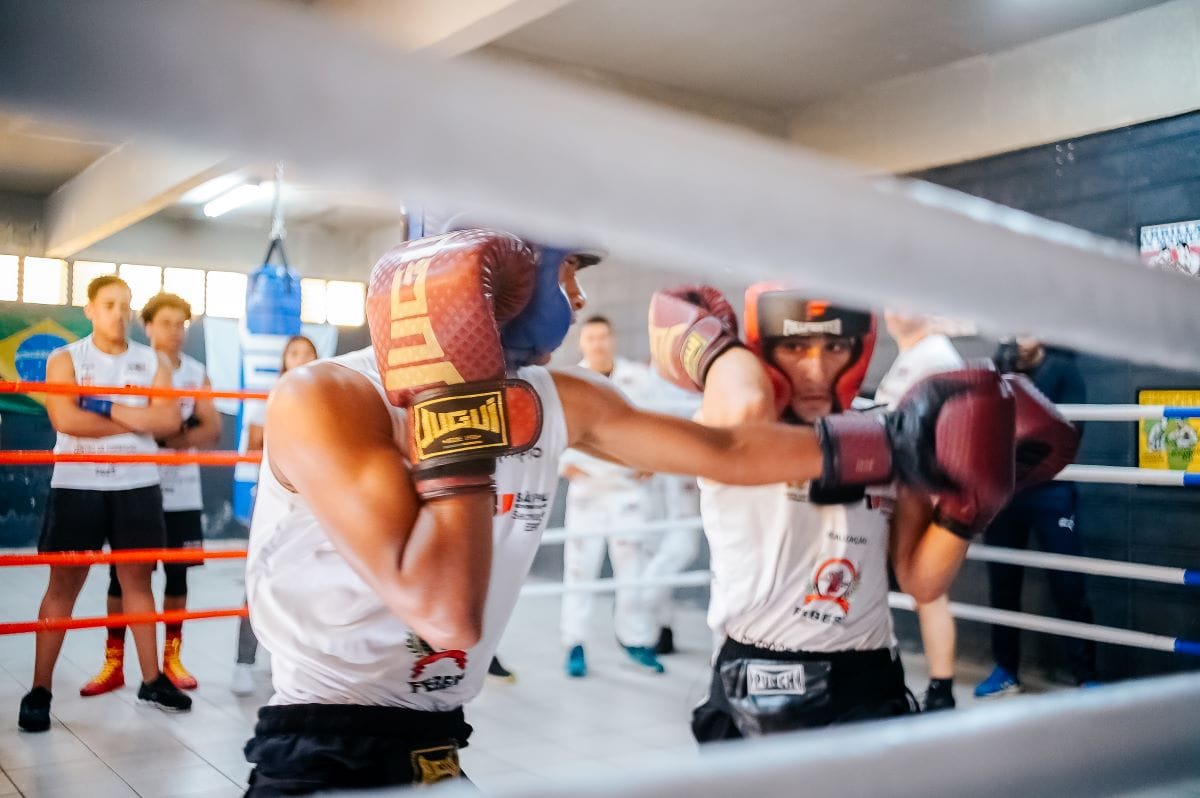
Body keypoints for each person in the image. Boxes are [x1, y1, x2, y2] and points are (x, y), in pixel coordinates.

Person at [241, 229, 1018, 794]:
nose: (578, 297)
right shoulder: (326, 399)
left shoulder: (558, 399)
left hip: (437, 743)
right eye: (567, 270)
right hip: (321, 750)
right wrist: (458, 404)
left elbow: (726, 453)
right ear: (477, 274)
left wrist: (899, 441)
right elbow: (446, 613)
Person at [647, 283, 1075, 742]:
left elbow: (920, 581)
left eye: (834, 346)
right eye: (793, 346)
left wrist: (967, 509)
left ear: (860, 346)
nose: (815, 368)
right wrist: (720, 350)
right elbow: (747, 401)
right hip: (757, 675)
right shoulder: (736, 429)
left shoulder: (890, 429)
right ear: (764, 349)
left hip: (866, 676)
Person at [18, 276, 193, 733]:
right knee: (63, 587)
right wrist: (135, 421)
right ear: (91, 309)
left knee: (139, 582)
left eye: (125, 305)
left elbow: (168, 419)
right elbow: (66, 418)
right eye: (109, 304)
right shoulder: (65, 359)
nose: (118, 313)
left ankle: (151, 679)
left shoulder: (152, 360)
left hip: (137, 485)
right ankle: (39, 690)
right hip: (77, 484)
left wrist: (104, 407)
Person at [81, 292, 220, 697]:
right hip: (133, 486)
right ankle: (114, 663)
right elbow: (123, 419)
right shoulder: (134, 366)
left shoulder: (196, 372)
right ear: (148, 326)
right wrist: (159, 427)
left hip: (183, 493)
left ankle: (171, 659)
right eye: (166, 323)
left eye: (181, 324)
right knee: (123, 578)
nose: (175, 332)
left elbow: (210, 430)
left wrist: (164, 433)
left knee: (177, 577)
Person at [976, 338, 1097, 698]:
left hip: (1051, 489)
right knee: (1003, 579)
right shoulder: (999, 369)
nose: (1020, 337)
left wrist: (1025, 436)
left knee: (1068, 582)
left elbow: (1072, 433)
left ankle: (1086, 675)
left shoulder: (1063, 370)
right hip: (1006, 488)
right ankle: (1006, 669)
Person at [560, 315, 669, 677]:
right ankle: (574, 643)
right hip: (587, 491)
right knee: (580, 571)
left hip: (628, 491)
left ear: (613, 339)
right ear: (582, 343)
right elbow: (556, 432)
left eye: (603, 337)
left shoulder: (638, 379)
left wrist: (653, 458)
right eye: (590, 338)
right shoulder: (570, 381)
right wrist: (564, 465)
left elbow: (658, 422)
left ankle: (636, 640)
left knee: (632, 571)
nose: (598, 344)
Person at [874, 311, 964, 712]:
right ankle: (917, 683)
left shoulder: (936, 356)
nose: (895, 309)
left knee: (927, 590)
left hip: (918, 488)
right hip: (894, 487)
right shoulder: (914, 355)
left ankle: (941, 689)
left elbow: (947, 431)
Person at [232, 334, 319, 697]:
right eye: (294, 353)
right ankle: (243, 661)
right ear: (284, 360)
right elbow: (254, 444)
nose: (300, 358)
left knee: (309, 578)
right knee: (261, 576)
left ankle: (293, 659)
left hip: (315, 496)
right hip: (273, 496)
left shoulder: (327, 397)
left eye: (307, 353)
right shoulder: (268, 398)